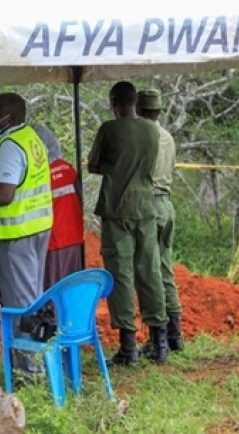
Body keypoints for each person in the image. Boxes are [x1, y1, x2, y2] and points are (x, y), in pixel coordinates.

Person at [0, 93, 53, 379]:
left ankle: (30, 372)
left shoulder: (9, 146)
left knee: (20, 303)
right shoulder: (31, 137)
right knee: (31, 297)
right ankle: (35, 364)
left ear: (13, 117)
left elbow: (4, 194)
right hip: (37, 227)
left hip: (16, 232)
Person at [87, 82, 169, 366]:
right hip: (146, 206)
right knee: (150, 269)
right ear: (135, 101)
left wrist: (115, 166)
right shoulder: (151, 129)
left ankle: (128, 346)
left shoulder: (109, 130)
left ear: (114, 102)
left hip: (117, 208)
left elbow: (93, 165)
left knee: (121, 273)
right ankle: (159, 341)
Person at [137, 89, 184, 352]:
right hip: (167, 204)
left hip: (148, 205)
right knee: (165, 268)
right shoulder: (167, 136)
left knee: (149, 272)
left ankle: (158, 339)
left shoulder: (142, 136)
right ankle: (175, 335)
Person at [31, 124, 85, 289]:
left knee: (53, 293)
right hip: (74, 239)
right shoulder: (68, 168)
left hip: (52, 242)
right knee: (72, 290)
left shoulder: (38, 175)